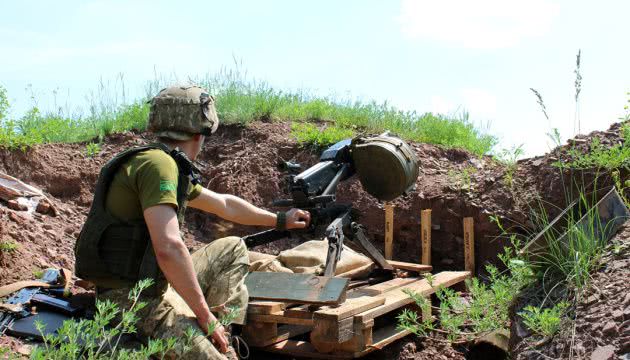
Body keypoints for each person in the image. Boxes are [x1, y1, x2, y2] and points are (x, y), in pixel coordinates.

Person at [74, 85, 311, 359]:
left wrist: (281, 219)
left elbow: (224, 204)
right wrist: (203, 314)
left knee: (233, 246)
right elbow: (169, 248)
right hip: (132, 301)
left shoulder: (157, 162)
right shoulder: (158, 165)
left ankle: (223, 336)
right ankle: (218, 344)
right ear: (199, 134)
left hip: (152, 283)